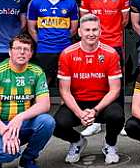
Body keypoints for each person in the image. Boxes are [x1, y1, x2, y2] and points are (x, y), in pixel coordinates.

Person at [53, 14, 125, 165]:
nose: (91, 33)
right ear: (79, 32)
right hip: (77, 101)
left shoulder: (111, 53)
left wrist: (95, 110)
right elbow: (64, 91)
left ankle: (110, 145)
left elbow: (115, 90)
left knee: (117, 116)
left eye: (94, 29)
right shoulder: (67, 54)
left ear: (100, 31)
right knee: (56, 124)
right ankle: (77, 141)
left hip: (102, 102)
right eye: (87, 30)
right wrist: (79, 113)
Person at [0, 33, 55, 168]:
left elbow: (44, 104)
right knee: (7, 154)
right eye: (17, 48)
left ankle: (27, 159)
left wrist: (20, 118)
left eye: (26, 49)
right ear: (9, 52)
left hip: (21, 124)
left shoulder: (37, 72)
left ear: (31, 54)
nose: (22, 52)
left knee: (47, 122)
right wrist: (5, 131)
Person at [79, 0, 130, 135]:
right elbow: (85, 22)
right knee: (94, 82)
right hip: (93, 46)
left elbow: (124, 21)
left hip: (114, 45)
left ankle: (120, 122)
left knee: (117, 85)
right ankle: (94, 122)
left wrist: (110, 33)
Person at [26, 0, 79, 87]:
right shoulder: (36, 2)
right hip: (44, 50)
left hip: (65, 49)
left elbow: (74, 29)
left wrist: (62, 39)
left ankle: (64, 106)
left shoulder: (71, 3)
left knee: (65, 83)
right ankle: (40, 106)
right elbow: (31, 29)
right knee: (43, 84)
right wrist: (42, 42)